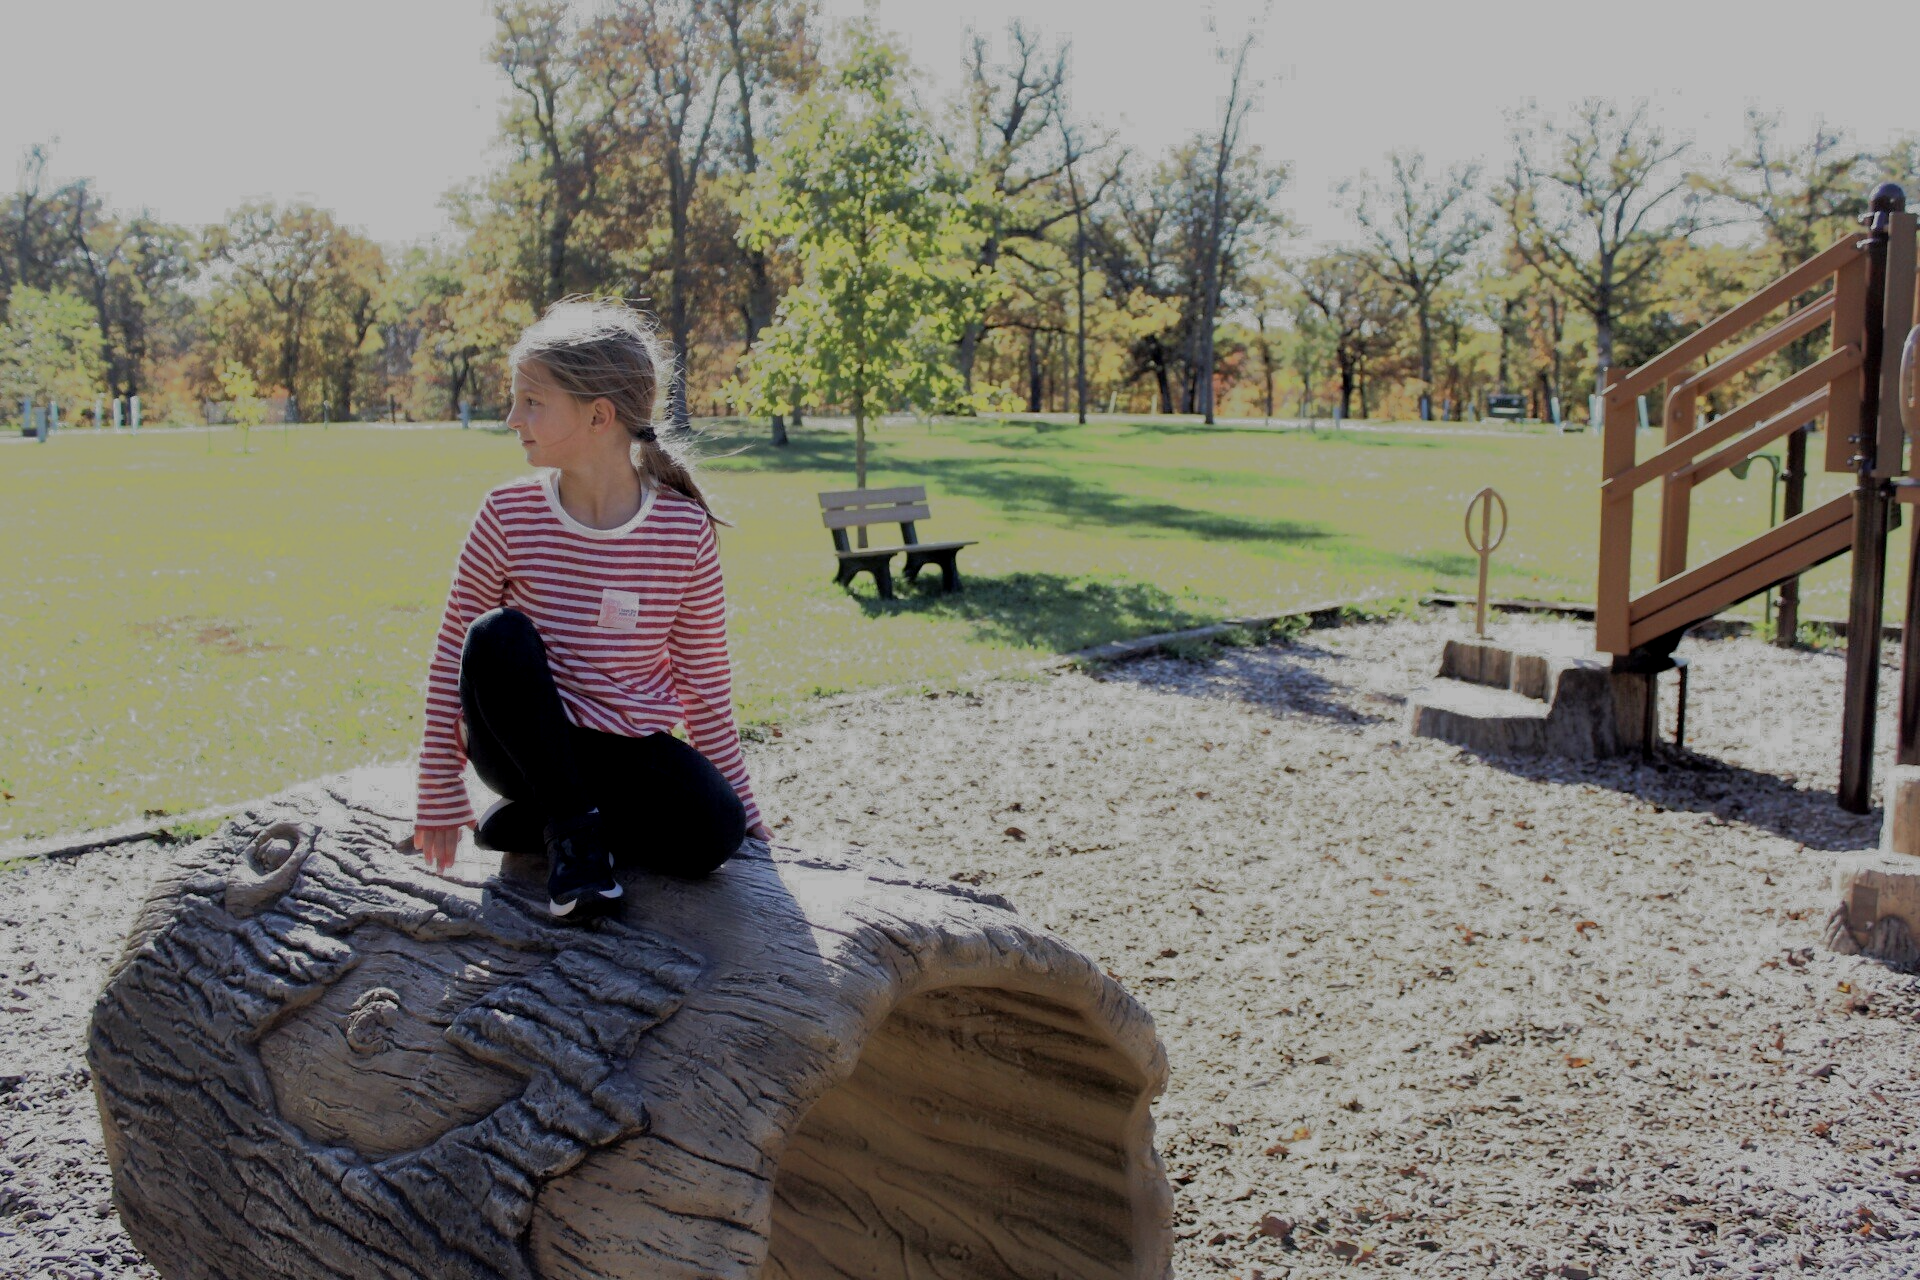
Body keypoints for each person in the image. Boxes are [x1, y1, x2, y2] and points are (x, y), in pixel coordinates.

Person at [409, 298, 772, 921]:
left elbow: (703, 680)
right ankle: (575, 837)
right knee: (497, 636)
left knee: (718, 832)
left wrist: (741, 799)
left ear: (599, 415)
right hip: (522, 746)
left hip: (622, 749)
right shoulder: (506, 513)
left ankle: (547, 819)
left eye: (531, 402)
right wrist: (439, 784)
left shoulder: (683, 530)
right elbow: (453, 654)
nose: (511, 418)